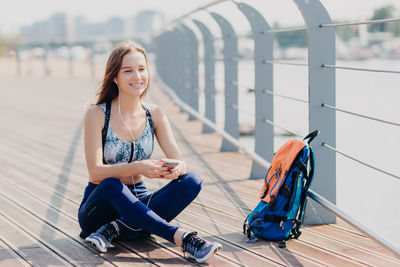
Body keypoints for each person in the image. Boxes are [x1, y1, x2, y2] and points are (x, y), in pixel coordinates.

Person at [78, 40, 222, 263]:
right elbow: (95, 173)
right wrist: (139, 167)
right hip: (98, 209)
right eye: (128, 71)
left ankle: (115, 229)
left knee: (192, 180)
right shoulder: (96, 115)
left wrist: (173, 168)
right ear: (114, 76)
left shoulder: (154, 114)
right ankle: (183, 239)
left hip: (140, 201)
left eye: (142, 69)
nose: (137, 77)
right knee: (111, 183)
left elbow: (180, 163)